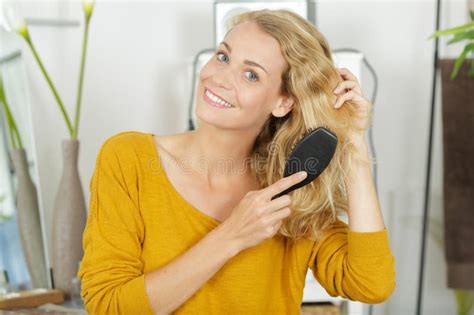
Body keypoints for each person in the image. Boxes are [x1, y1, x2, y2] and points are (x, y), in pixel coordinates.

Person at [77, 9, 395, 315]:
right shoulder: (127, 158)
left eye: (251, 74)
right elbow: (109, 306)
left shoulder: (291, 190)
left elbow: (371, 285)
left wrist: (353, 139)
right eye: (223, 56)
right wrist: (232, 235)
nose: (220, 78)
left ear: (284, 101)